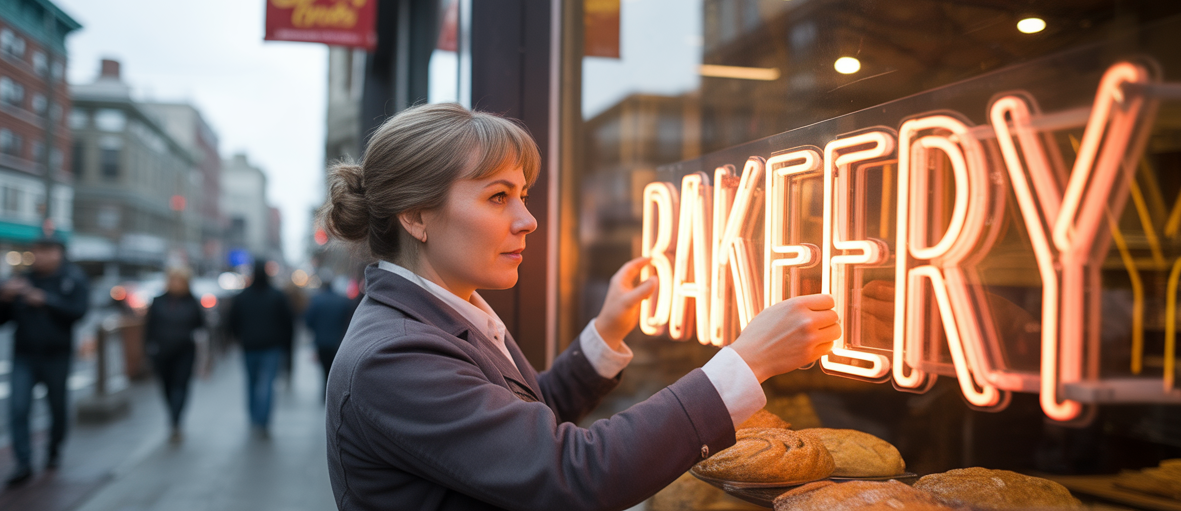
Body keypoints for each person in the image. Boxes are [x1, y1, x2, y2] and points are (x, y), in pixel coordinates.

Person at [322, 103, 840, 510]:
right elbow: (571, 476)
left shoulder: (440, 315)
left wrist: (608, 331)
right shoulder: (395, 357)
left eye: (523, 194)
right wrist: (748, 363)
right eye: (498, 197)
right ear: (416, 216)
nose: (528, 220)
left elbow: (519, 423)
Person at [0, 236, 90, 487]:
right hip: (24, 355)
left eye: (44, 251)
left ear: (57, 253)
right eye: (35, 251)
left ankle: (54, 449)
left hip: (57, 355)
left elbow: (79, 313)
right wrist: (3, 297)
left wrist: (46, 300)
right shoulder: (22, 280)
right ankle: (23, 462)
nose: (38, 256)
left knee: (57, 408)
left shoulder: (72, 279)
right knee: (18, 408)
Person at [226, 261, 294, 437]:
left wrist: (238, 339)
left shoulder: (242, 297)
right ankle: (264, 420)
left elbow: (232, 322)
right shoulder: (277, 296)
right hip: (272, 346)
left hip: (249, 346)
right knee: (268, 384)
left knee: (251, 382)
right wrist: (286, 345)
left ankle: (254, 418)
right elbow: (288, 323)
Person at [143, 267, 205, 442]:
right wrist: (147, 350)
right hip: (162, 352)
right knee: (166, 386)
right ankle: (173, 415)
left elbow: (201, 327)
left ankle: (175, 420)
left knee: (181, 385)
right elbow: (149, 328)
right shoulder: (158, 301)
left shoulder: (192, 301)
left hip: (184, 351)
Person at [303, 277, 359, 395]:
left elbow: (308, 321)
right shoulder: (342, 301)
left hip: (321, 342)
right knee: (334, 369)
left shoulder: (316, 300)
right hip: (338, 341)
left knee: (324, 369)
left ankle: (325, 392)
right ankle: (330, 392)